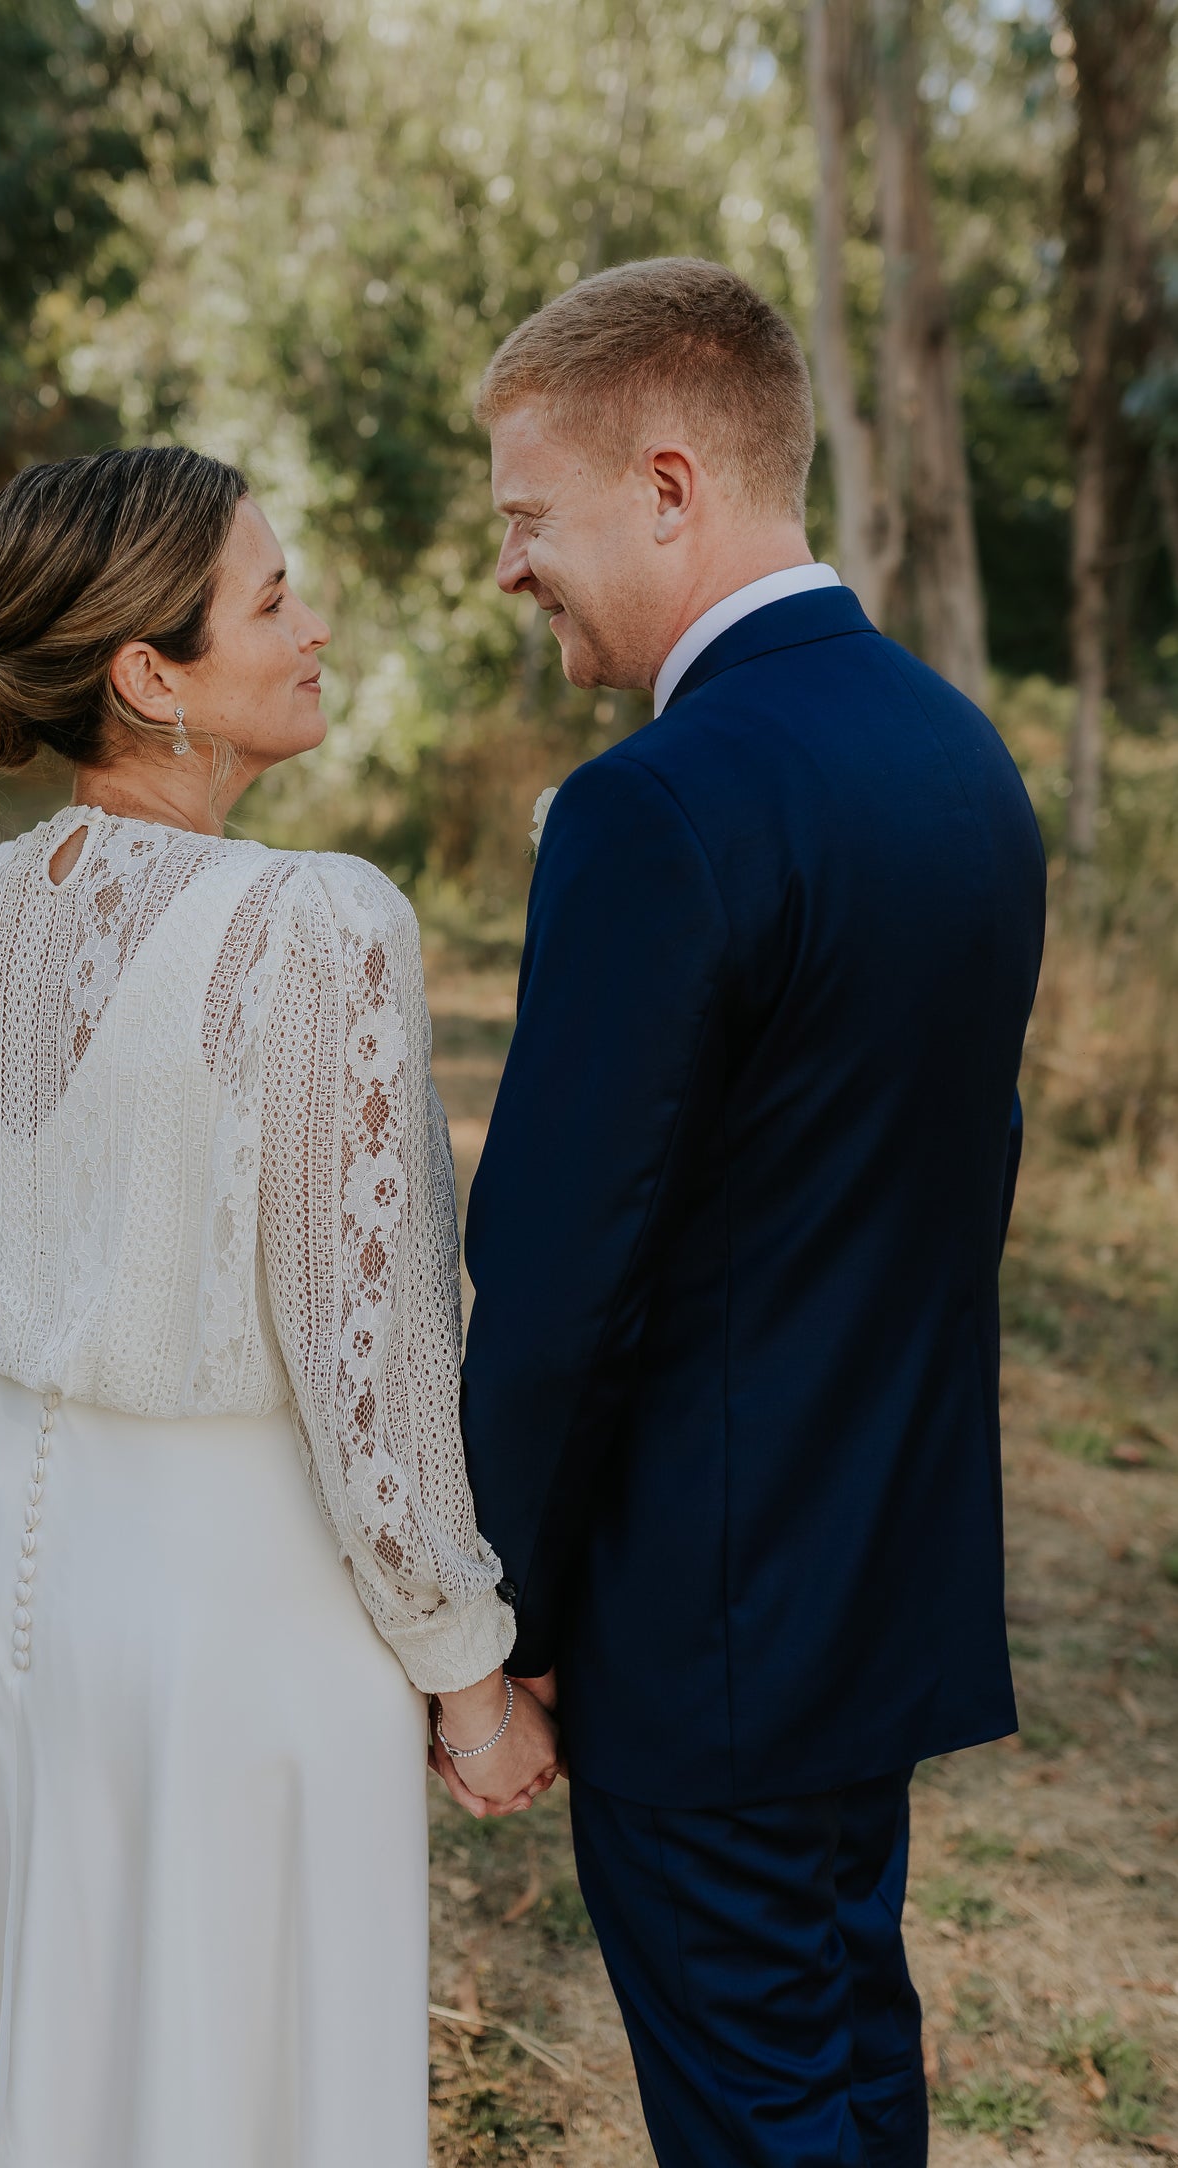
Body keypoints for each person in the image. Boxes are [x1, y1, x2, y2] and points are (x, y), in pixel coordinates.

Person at [0, 444, 558, 2168]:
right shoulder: (314, 925)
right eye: (272, 596)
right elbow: (376, 1372)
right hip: (240, 1603)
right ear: (148, 675)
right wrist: (467, 1679)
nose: (315, 623)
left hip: (33, 1583)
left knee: (68, 2038)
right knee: (237, 2072)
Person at [452, 260, 1047, 2168]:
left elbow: (555, 1277)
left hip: (698, 1622)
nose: (508, 567)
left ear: (668, 483)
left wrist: (503, 1615)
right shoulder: (956, 758)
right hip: (875, 1572)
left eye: (526, 518)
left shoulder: (659, 807)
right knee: (847, 2065)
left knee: (758, 2113)